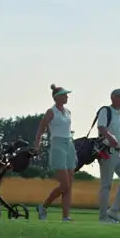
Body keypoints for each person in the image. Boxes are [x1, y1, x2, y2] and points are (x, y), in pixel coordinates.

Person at [33, 84, 75, 222]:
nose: (67, 97)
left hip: (69, 145)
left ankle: (65, 216)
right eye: (64, 95)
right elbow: (40, 129)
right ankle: (44, 206)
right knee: (65, 185)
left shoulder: (68, 112)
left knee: (69, 185)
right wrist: (37, 146)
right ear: (57, 97)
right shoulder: (51, 112)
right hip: (57, 145)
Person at [95, 88, 120, 224]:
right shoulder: (105, 110)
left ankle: (114, 211)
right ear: (113, 98)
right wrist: (111, 138)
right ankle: (103, 217)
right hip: (107, 151)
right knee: (106, 184)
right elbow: (101, 128)